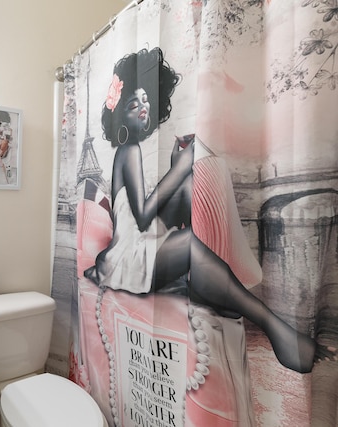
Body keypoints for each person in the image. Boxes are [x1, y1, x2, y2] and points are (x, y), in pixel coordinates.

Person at [84, 47, 335, 373]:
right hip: (131, 259)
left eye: (146, 102)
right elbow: (143, 217)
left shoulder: (130, 149)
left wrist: (179, 165)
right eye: (134, 105)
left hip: (139, 244)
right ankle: (274, 326)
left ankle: (211, 279)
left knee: (190, 184)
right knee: (189, 231)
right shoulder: (128, 150)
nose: (144, 109)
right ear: (119, 115)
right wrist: (181, 165)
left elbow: (138, 215)